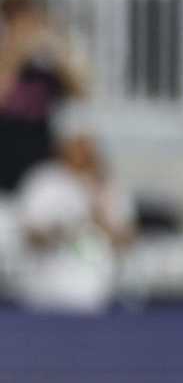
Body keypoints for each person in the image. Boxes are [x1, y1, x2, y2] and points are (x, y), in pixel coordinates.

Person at [15, 118, 134, 313]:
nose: (84, 152)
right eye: (78, 144)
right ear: (64, 147)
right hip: (47, 278)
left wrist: (99, 215)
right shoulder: (44, 180)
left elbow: (127, 240)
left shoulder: (108, 185)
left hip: (97, 282)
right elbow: (29, 236)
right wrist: (60, 232)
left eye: (88, 145)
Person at [0, 0, 88, 195]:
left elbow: (81, 93)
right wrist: (17, 54)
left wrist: (59, 54)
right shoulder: (6, 60)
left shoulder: (46, 69)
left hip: (39, 167)